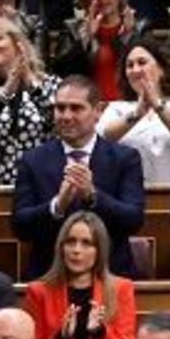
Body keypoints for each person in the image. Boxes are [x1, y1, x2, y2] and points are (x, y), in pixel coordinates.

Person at [9, 75, 146, 281]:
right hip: (49, 277)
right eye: (60, 108)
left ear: (98, 111)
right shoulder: (33, 160)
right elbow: (20, 226)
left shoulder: (124, 158)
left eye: (76, 108)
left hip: (110, 276)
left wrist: (93, 196)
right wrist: (57, 206)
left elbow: (133, 220)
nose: (65, 116)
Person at [25, 210, 136, 339]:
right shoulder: (39, 292)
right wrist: (60, 338)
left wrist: (101, 332)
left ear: (99, 250)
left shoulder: (121, 289)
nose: (76, 250)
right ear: (61, 247)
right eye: (70, 242)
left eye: (87, 243)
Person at [97, 39, 170, 184]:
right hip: (128, 200)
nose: (135, 70)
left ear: (162, 69)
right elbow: (102, 138)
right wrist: (136, 114)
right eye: (130, 65)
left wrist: (157, 105)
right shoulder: (116, 108)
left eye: (142, 62)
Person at [0, 16, 59, 187]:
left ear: (17, 43)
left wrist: (29, 80)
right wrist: (7, 89)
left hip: (42, 187)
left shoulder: (51, 85)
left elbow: (59, 121)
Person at [49, 0, 148, 102]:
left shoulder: (139, 28)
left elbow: (147, 71)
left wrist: (129, 35)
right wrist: (85, 40)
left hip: (130, 106)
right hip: (87, 111)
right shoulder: (72, 29)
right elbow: (61, 72)